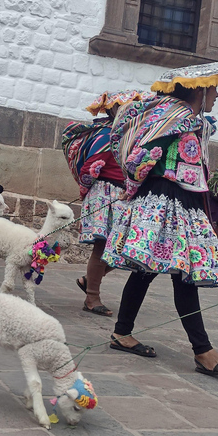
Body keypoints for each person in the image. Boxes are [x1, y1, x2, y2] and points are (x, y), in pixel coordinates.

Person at [102, 62, 218, 376]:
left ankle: (122, 332)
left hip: (181, 201)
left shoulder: (190, 120)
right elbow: (143, 155)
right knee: (184, 273)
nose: (217, 96)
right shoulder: (176, 117)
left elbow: (188, 165)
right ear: (200, 88)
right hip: (167, 202)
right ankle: (203, 351)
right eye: (214, 88)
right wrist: (133, 186)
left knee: (147, 271)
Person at [62, 90, 154, 317]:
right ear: (114, 109)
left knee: (124, 247)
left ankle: (90, 280)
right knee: (103, 247)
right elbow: (91, 167)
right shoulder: (107, 133)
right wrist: (86, 191)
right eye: (125, 107)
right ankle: (92, 297)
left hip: (123, 195)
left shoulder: (132, 135)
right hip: (105, 193)